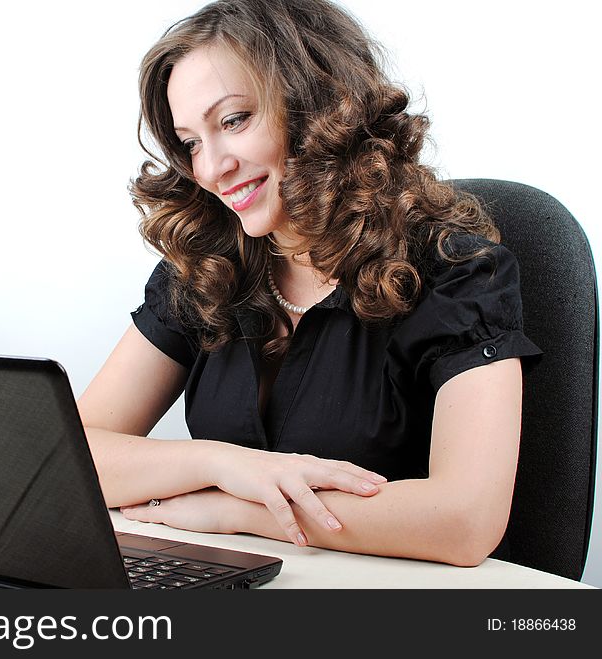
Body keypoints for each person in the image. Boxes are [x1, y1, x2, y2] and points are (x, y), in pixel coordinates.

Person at [77, 0, 541, 567]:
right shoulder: (206, 268)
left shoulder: (455, 271)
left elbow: (465, 521)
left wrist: (236, 508)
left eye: (233, 121)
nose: (210, 168)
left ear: (317, 106)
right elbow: (73, 457)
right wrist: (224, 465)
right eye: (192, 142)